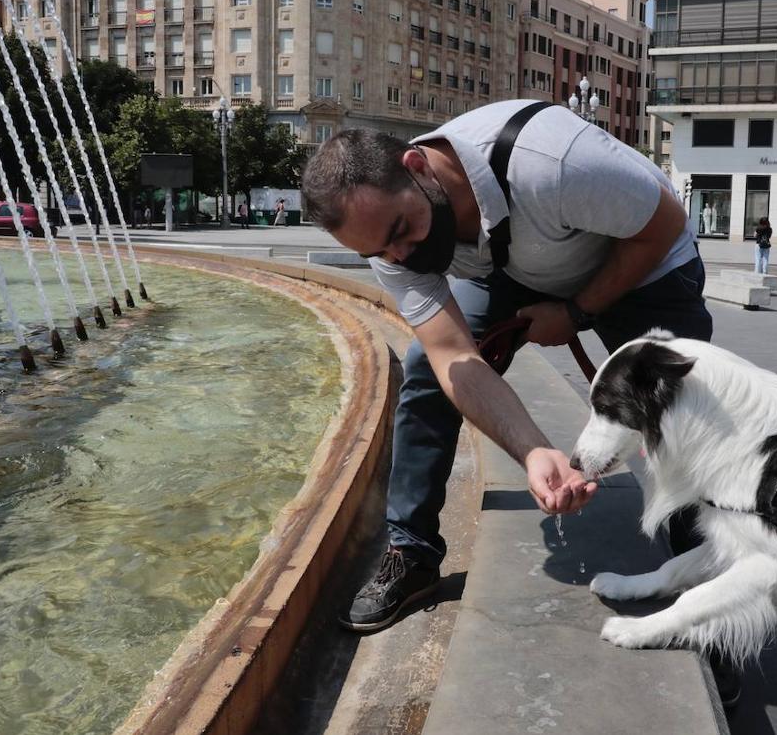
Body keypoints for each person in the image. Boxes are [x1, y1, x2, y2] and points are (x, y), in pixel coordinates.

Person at [301, 99, 742, 702]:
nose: (398, 258)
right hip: (516, 265)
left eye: (400, 232)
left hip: (642, 264)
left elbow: (662, 222)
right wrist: (533, 450)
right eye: (376, 254)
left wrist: (578, 310)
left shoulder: (551, 162)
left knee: (680, 419)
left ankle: (715, 604)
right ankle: (413, 551)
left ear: (416, 166)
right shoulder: (390, 240)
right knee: (424, 375)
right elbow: (453, 355)